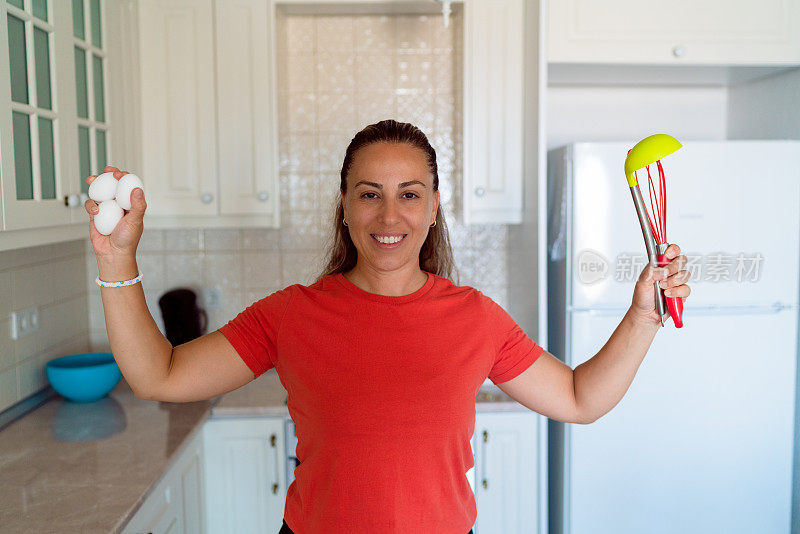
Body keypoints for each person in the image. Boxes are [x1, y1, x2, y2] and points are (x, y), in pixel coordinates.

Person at [84, 119, 691, 534]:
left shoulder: (475, 317)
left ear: (432, 208)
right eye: (369, 194)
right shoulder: (291, 314)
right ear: (344, 207)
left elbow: (581, 399)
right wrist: (118, 258)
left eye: (409, 194)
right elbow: (158, 375)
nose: (389, 215)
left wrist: (643, 314)